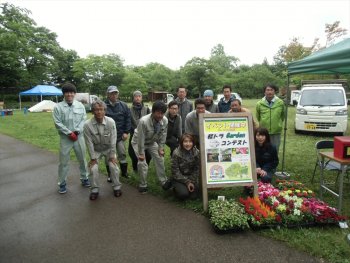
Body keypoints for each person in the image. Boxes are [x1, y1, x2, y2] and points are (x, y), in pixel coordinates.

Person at [53, 82, 90, 194]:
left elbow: (84, 119)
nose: (69, 94)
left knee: (82, 159)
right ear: (63, 94)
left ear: (74, 93)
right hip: (66, 139)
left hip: (79, 137)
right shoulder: (58, 107)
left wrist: (77, 131)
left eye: (71, 92)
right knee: (63, 162)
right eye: (67, 92)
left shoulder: (80, 106)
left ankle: (85, 178)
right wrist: (69, 133)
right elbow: (57, 123)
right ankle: (62, 183)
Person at [83, 100, 122, 200]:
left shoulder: (111, 122)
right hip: (96, 150)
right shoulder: (87, 125)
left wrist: (112, 155)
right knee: (93, 168)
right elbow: (89, 143)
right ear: (92, 112)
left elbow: (113, 139)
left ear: (105, 111)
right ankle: (94, 189)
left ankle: (117, 187)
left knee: (113, 166)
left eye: (101, 109)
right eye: (96, 110)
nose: (99, 112)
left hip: (109, 148)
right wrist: (92, 158)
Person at [131, 100, 172, 193]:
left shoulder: (164, 120)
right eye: (158, 113)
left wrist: (161, 148)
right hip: (138, 142)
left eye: (162, 113)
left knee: (160, 158)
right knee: (142, 163)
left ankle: (163, 181)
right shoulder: (143, 121)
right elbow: (141, 138)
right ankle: (143, 184)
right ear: (153, 112)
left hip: (151, 142)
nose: (160, 116)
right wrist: (141, 153)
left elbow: (163, 135)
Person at [105, 85, 131, 180]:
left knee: (122, 154)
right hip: (107, 136)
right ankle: (110, 175)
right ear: (108, 94)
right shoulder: (103, 105)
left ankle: (124, 173)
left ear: (118, 94)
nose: (114, 95)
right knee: (108, 156)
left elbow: (128, 119)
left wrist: (126, 132)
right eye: (112, 93)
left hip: (120, 135)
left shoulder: (123, 105)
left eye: (115, 93)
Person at [256, 84, 285, 152]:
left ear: (274, 91)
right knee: (263, 148)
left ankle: (273, 162)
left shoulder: (280, 103)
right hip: (264, 131)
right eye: (268, 90)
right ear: (264, 92)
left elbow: (283, 115)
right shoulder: (259, 104)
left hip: (276, 131)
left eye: (271, 90)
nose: (269, 92)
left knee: (275, 148)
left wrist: (278, 124)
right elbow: (258, 116)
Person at [171, 133, 200, 200]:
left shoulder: (196, 152)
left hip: (191, 177)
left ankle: (185, 188)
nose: (188, 144)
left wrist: (191, 181)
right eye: (185, 141)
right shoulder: (176, 153)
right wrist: (187, 182)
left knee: (194, 197)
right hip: (179, 178)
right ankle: (173, 186)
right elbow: (175, 171)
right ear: (181, 142)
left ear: (193, 143)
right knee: (183, 195)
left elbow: (197, 169)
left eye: (190, 142)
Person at [128, 90, 152, 172]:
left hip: (145, 135)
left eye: (139, 96)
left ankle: (145, 167)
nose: (137, 98)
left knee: (148, 154)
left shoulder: (147, 109)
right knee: (132, 153)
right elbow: (128, 122)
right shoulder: (129, 110)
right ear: (133, 98)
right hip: (133, 134)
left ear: (141, 98)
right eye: (136, 96)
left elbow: (150, 121)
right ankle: (135, 169)